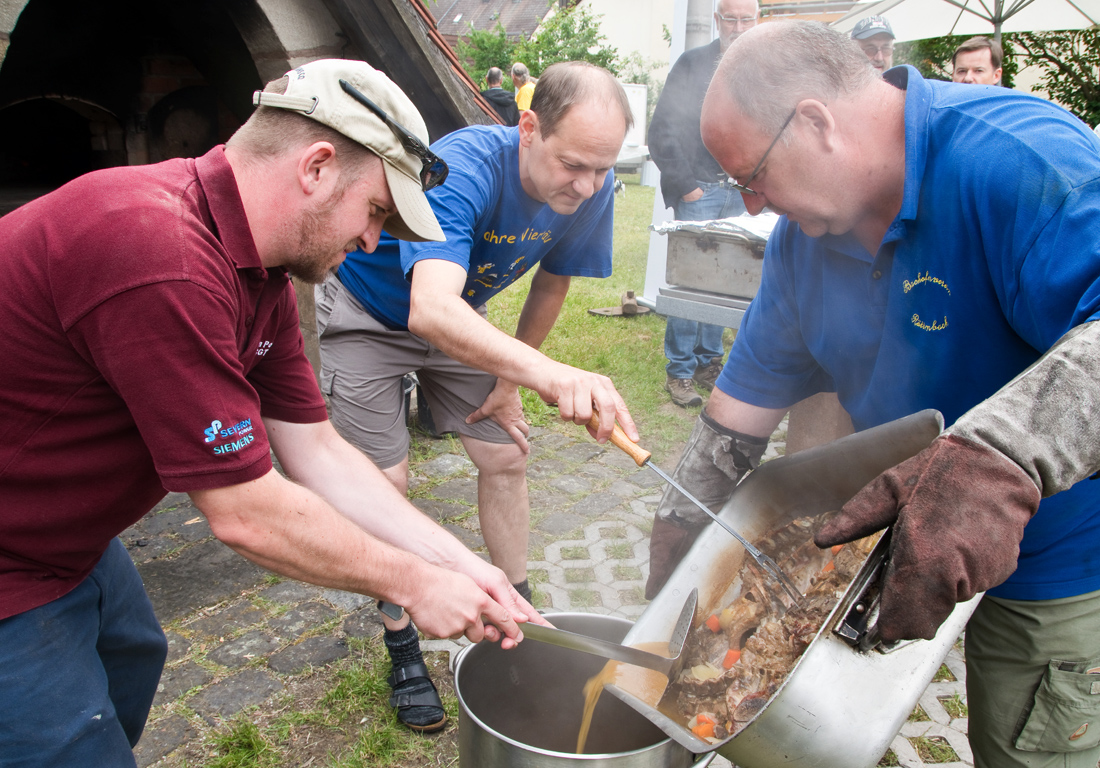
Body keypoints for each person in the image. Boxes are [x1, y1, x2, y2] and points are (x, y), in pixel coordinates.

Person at [0, 59, 542, 766]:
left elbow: (317, 451)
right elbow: (245, 512)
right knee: (74, 744)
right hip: (12, 556)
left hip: (68, 533)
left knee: (133, 660)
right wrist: (411, 582)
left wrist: (460, 564)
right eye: (376, 211)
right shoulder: (156, 250)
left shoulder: (260, 274)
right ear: (316, 167)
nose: (374, 242)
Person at [648, 20, 1100, 767]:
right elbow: (734, 424)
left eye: (752, 178)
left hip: (1056, 563)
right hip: (891, 556)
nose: (753, 207)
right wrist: (679, 534)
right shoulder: (803, 244)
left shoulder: (1018, 161)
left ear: (815, 123)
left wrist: (996, 459)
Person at [315, 60, 636, 732]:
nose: (587, 185)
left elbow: (551, 283)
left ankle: (519, 618)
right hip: (373, 312)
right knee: (386, 481)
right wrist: (551, 375)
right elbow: (429, 308)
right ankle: (402, 641)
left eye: (602, 169)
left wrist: (513, 377)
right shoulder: (464, 167)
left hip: (461, 318)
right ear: (527, 128)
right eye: (573, 164)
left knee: (506, 456)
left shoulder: (591, 186)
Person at [648, 0, 758, 408]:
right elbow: (662, 130)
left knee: (726, 283)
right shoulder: (692, 64)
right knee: (691, 282)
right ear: (717, 20)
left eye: (747, 18)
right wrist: (688, 186)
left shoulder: (764, 72)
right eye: (730, 18)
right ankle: (678, 371)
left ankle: (709, 362)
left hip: (739, 192)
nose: (738, 26)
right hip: (701, 190)